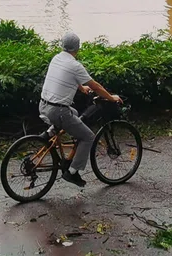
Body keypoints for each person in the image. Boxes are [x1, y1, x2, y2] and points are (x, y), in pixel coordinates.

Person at [40, 32, 123, 188]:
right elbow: (96, 86)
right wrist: (111, 98)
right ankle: (72, 172)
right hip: (58, 112)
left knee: (75, 114)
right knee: (88, 137)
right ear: (77, 48)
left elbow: (67, 76)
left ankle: (48, 134)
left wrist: (80, 87)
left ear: (62, 45)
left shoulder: (56, 58)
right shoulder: (75, 65)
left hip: (44, 106)